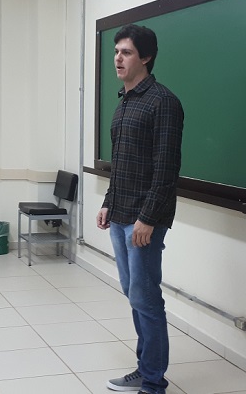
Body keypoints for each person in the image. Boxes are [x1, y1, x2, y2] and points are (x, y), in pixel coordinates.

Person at [97, 24, 184, 394]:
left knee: (146, 300)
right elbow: (122, 163)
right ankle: (145, 367)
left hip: (143, 220)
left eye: (127, 52)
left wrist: (146, 218)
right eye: (116, 51)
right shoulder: (125, 101)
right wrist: (107, 202)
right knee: (134, 294)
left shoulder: (163, 102)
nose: (118, 58)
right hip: (120, 214)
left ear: (146, 57)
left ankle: (153, 381)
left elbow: (166, 169)